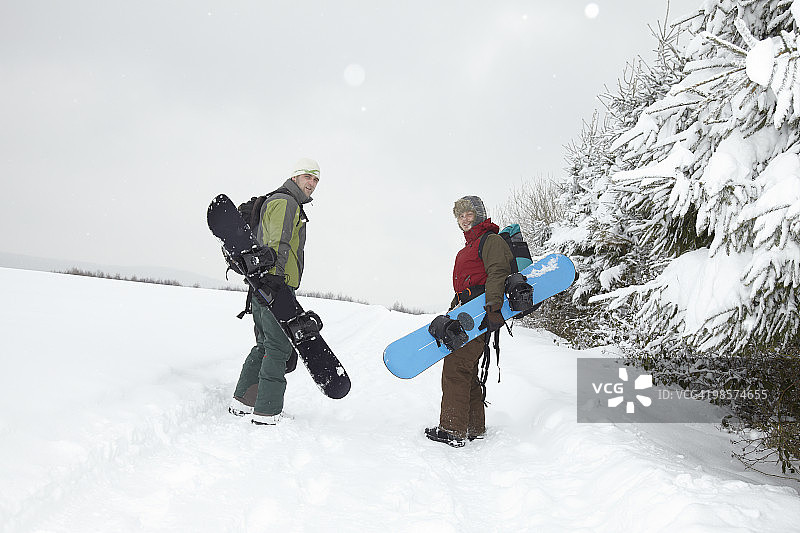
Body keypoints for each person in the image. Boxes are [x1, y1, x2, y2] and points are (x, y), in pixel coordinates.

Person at [228, 158, 320, 425]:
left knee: (265, 344)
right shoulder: (286, 202)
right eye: (307, 177)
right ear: (295, 178)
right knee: (278, 347)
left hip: (265, 285)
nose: (312, 184)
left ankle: (244, 401)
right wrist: (276, 280)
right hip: (274, 286)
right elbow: (277, 243)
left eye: (315, 180)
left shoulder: (284, 201)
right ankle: (267, 411)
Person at [425, 196, 512, 447]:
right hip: (468, 312)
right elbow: (466, 286)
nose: (464, 219)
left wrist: (494, 307)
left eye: (469, 214)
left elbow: (498, 272)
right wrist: (452, 310)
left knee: (456, 368)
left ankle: (452, 429)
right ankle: (474, 427)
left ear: (480, 215)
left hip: (481, 312)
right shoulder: (469, 246)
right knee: (468, 369)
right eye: (460, 215)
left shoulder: (490, 240)